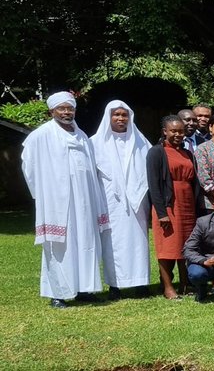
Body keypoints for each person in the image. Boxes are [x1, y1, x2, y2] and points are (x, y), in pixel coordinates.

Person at [23, 91, 110, 308]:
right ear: (52, 111)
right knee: (60, 246)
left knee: (86, 242)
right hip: (57, 201)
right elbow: (29, 165)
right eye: (61, 108)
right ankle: (58, 294)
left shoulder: (82, 136)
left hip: (85, 200)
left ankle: (84, 289)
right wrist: (41, 193)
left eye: (70, 108)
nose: (66, 112)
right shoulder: (41, 135)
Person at [91, 100, 152, 300]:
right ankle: (115, 285)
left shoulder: (140, 141)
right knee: (112, 243)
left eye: (124, 115)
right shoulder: (95, 142)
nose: (120, 118)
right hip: (110, 201)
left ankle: (141, 283)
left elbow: (149, 167)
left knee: (138, 242)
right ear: (108, 117)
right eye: (116, 115)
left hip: (137, 201)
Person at [147, 114, 202, 300]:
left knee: (186, 245)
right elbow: (154, 185)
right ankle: (168, 287)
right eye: (174, 131)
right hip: (168, 205)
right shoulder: (157, 152)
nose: (178, 134)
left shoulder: (188, 153)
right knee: (168, 246)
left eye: (181, 131)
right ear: (165, 131)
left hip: (187, 204)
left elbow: (194, 181)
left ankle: (186, 283)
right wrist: (161, 212)